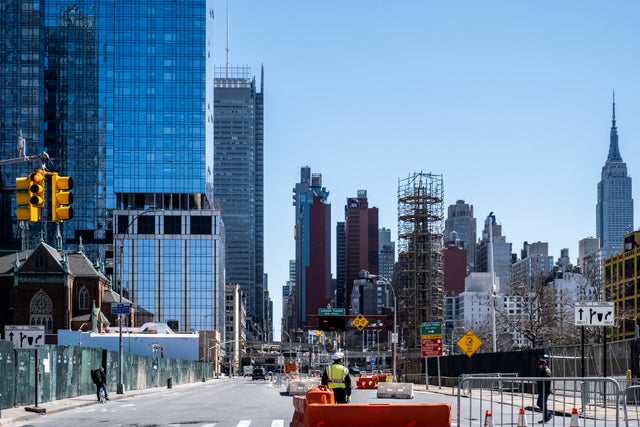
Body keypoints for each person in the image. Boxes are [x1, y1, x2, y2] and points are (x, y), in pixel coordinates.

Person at [536, 357, 552, 423]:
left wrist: (539, 381)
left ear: (543, 364)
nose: (539, 366)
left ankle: (546, 417)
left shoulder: (546, 370)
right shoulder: (543, 370)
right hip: (542, 389)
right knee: (539, 403)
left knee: (542, 403)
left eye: (540, 365)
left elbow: (547, 379)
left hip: (545, 389)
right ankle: (548, 415)